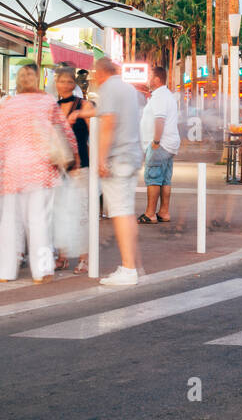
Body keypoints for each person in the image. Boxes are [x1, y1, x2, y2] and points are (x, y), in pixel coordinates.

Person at [0, 63, 75, 283]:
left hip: (13, 169)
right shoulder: (47, 102)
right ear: (37, 79)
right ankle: (42, 271)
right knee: (40, 221)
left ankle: (3, 271)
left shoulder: (7, 104)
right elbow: (65, 133)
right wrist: (73, 158)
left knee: (10, 223)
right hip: (41, 169)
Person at [90, 56, 144, 286]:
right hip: (131, 155)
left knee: (120, 212)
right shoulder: (128, 89)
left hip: (118, 158)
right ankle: (133, 264)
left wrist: (101, 159)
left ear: (100, 73)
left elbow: (109, 123)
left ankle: (128, 268)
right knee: (127, 211)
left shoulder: (108, 89)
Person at [53, 69, 92, 273]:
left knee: (81, 213)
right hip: (59, 167)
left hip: (80, 165)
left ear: (74, 83)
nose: (65, 85)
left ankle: (84, 258)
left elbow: (94, 131)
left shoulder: (83, 105)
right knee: (60, 212)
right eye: (61, 81)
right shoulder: (54, 107)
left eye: (69, 81)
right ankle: (63, 256)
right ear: (56, 83)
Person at [139, 66, 181, 224]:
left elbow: (160, 119)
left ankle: (150, 213)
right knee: (164, 179)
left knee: (153, 178)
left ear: (156, 79)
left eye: (150, 76)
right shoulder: (166, 95)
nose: (148, 79)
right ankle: (164, 211)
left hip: (160, 143)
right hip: (169, 143)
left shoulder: (159, 96)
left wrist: (156, 141)